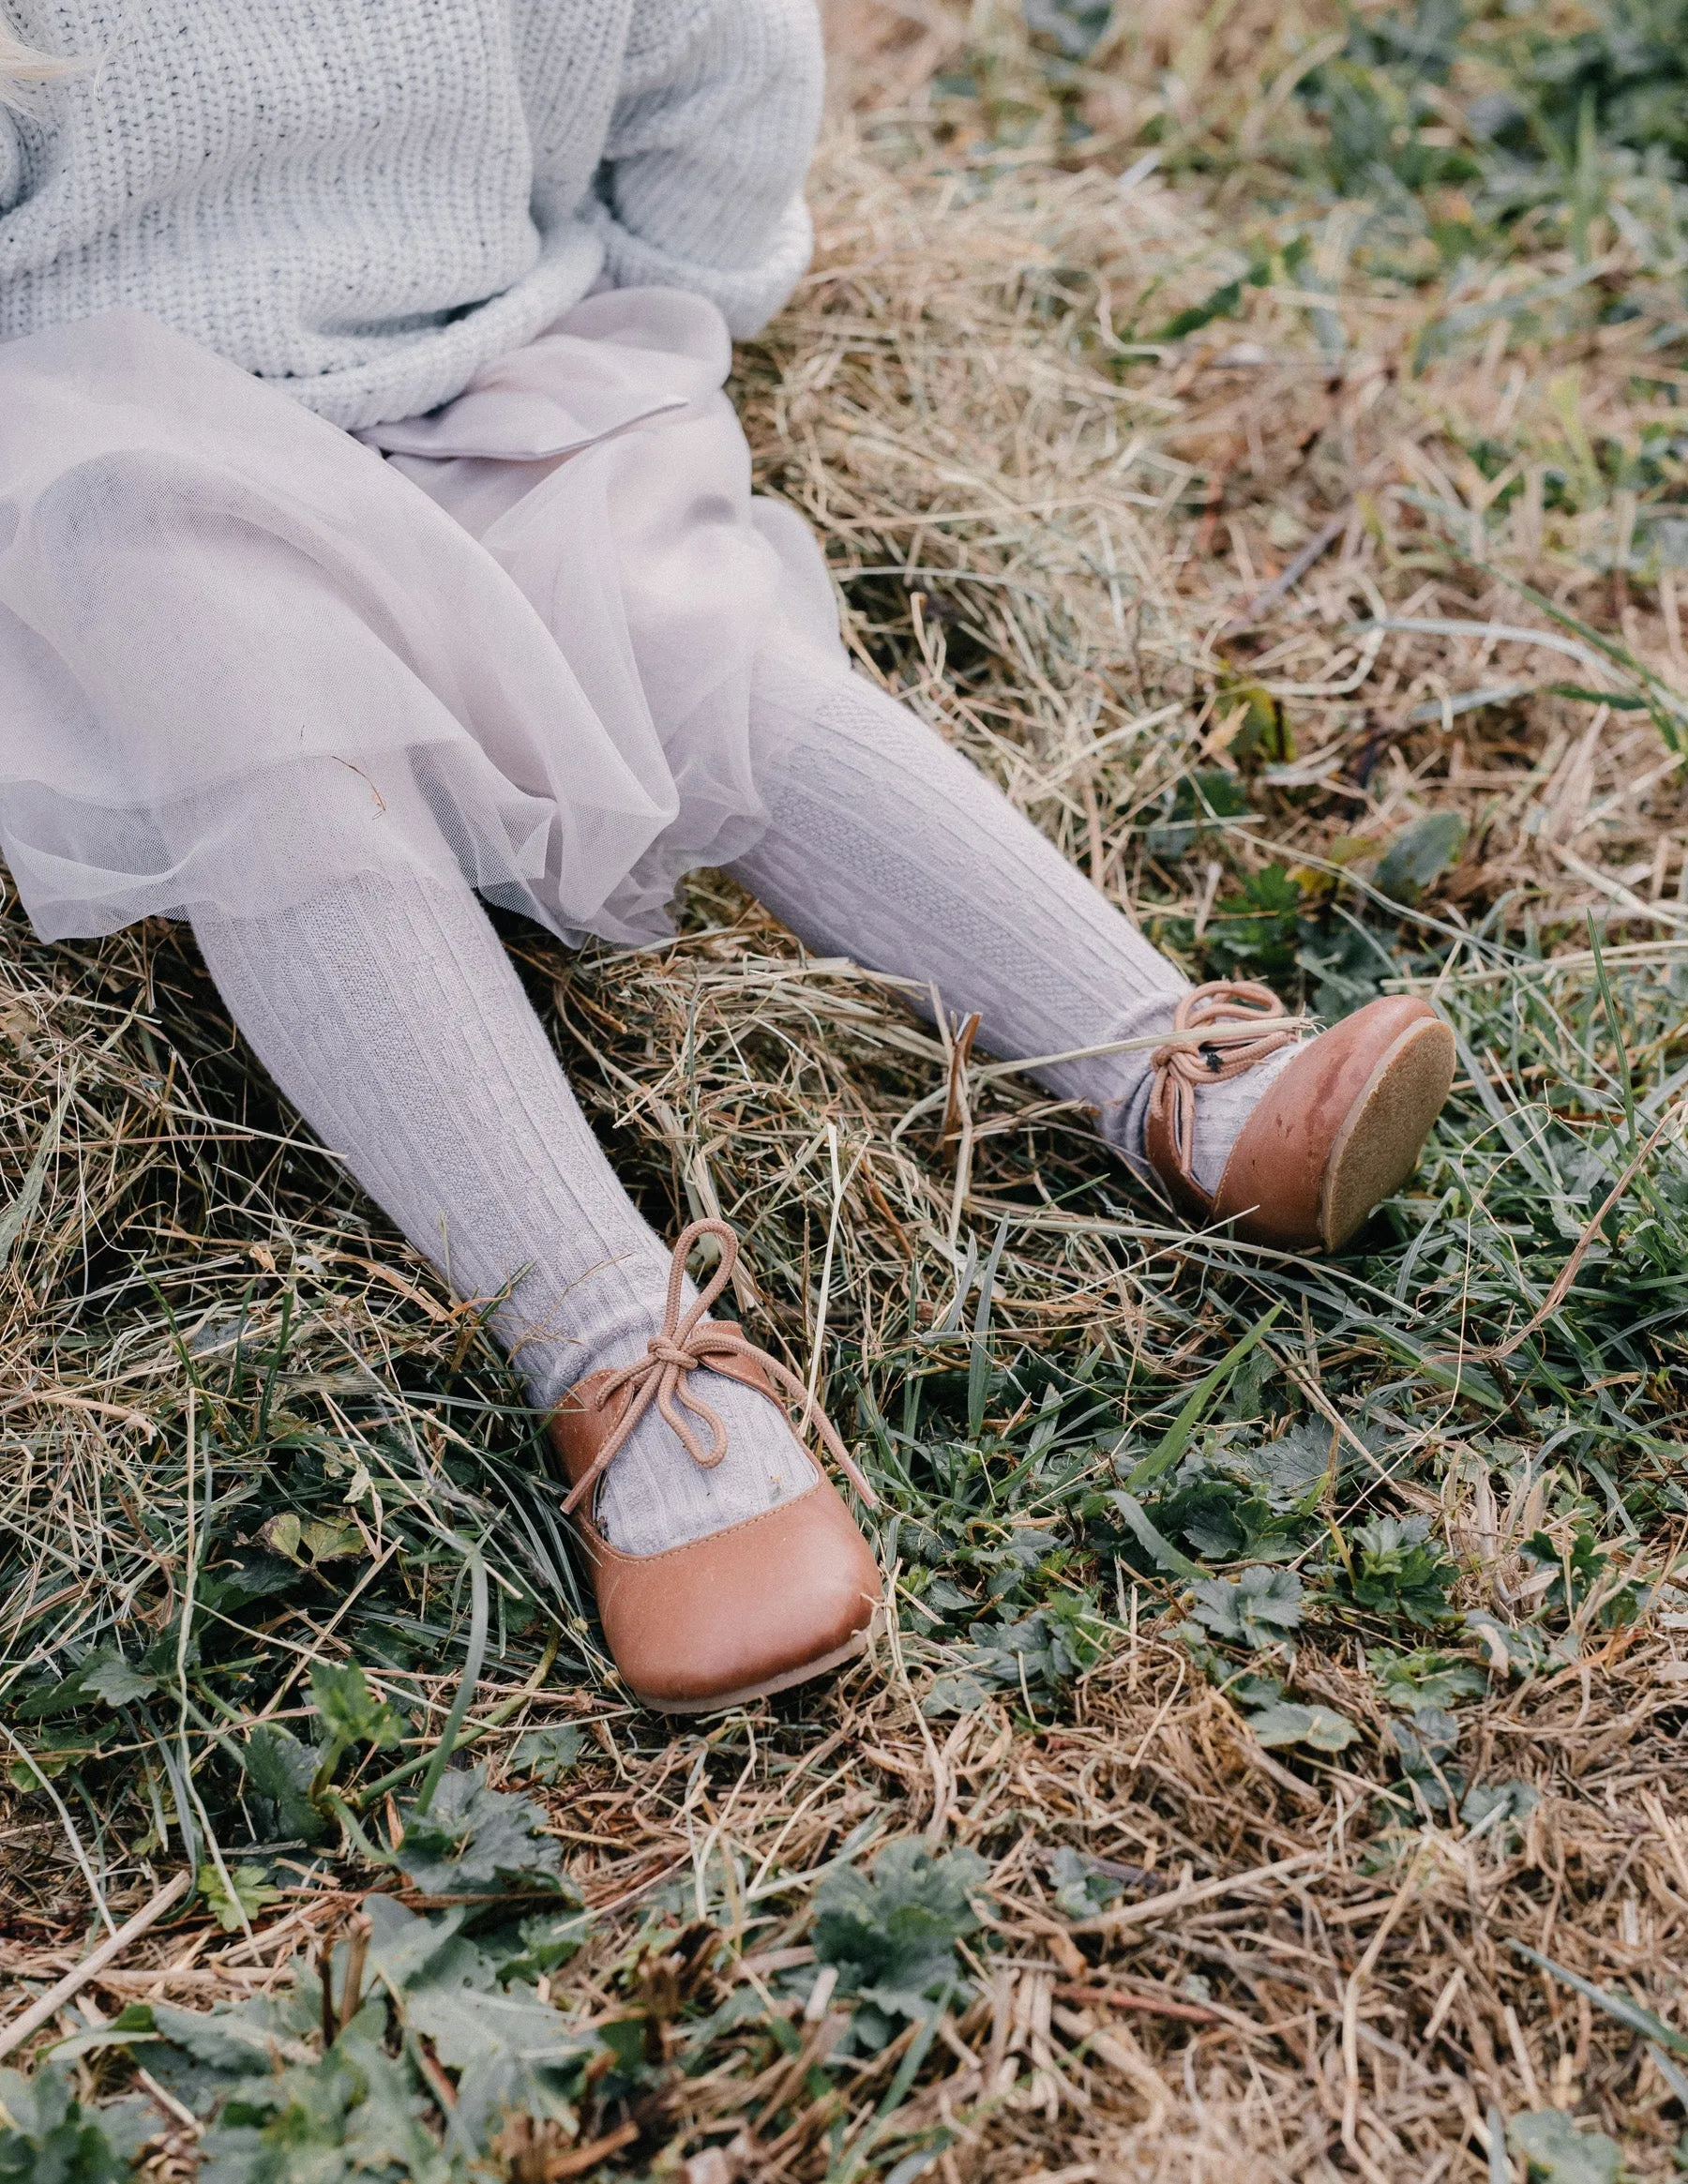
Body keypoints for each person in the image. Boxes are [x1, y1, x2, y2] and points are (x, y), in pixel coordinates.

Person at [0, 0, 1454, 1712]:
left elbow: (716, 70)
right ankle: (622, 1356)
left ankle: (1171, 1068)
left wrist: (668, 288)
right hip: (132, 445)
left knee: (712, 652)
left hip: (489, 364)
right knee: (292, 768)